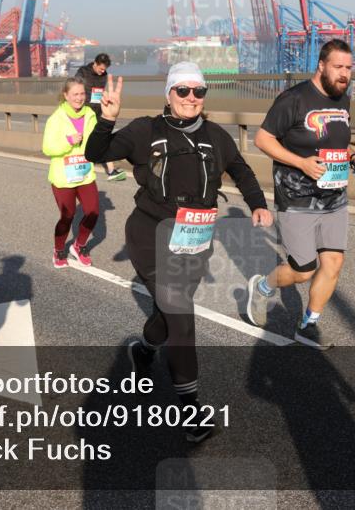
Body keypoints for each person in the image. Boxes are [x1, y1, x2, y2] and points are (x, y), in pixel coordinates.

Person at [85, 62, 271, 442]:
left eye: (198, 92)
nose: (191, 98)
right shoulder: (144, 131)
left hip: (194, 239)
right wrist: (106, 120)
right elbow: (95, 152)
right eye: (182, 91)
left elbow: (242, 170)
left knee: (167, 315)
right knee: (182, 319)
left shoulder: (216, 136)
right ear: (168, 94)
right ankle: (190, 414)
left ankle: (144, 349)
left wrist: (257, 203)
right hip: (151, 234)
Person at [246, 39, 355, 349]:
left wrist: (352, 158)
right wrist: (301, 162)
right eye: (338, 67)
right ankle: (262, 287)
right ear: (321, 66)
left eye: (349, 68)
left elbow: (338, 143)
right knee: (303, 271)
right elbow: (262, 139)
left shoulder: (344, 99)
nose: (345, 74)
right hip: (297, 197)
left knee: (334, 263)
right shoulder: (294, 99)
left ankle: (308, 325)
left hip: (334, 196)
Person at [42, 77, 99, 268]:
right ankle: (59, 250)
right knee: (68, 216)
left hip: (84, 173)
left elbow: (95, 141)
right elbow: (47, 148)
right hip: (63, 177)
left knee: (93, 212)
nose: (79, 98)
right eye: (75, 94)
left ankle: (79, 245)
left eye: (82, 94)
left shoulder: (90, 114)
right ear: (66, 95)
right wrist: (68, 140)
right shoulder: (56, 119)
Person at [75, 53, 126, 181]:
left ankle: (111, 171)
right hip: (84, 111)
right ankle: (79, 170)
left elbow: (100, 92)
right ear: (95, 63)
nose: (103, 71)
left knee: (104, 139)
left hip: (99, 111)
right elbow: (75, 89)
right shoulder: (83, 72)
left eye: (105, 69)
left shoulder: (104, 76)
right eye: (101, 68)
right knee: (84, 140)